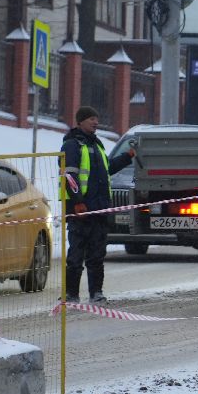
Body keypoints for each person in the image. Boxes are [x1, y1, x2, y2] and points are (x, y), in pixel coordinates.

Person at [60, 106, 132, 304]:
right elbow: (69, 176)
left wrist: (128, 157)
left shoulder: (97, 145)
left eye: (96, 118)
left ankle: (96, 293)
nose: (96, 122)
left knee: (97, 255)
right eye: (91, 118)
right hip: (81, 211)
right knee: (76, 255)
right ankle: (71, 294)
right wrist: (78, 202)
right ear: (80, 121)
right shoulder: (72, 145)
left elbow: (107, 169)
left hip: (100, 210)